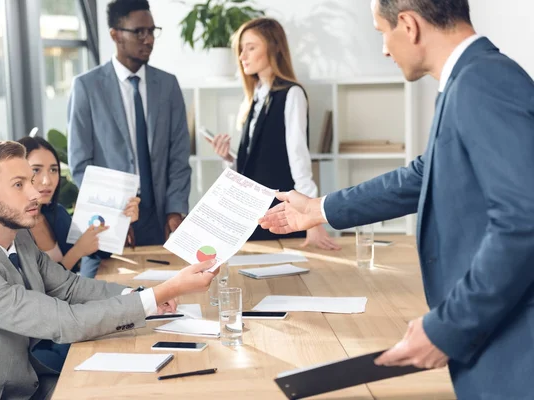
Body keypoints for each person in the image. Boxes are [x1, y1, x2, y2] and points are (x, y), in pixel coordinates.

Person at [259, 1, 534, 398]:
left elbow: (523, 221)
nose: (385, 49)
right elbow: (424, 175)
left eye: (381, 33)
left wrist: (448, 327)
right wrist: (319, 208)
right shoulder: (469, 79)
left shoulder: (483, 82)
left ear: (408, 25)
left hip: (513, 347)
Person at [0, 141, 218, 400]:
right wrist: (162, 292)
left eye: (30, 181)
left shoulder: (17, 233)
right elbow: (65, 321)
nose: (35, 192)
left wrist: (140, 294)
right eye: (19, 185)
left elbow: (69, 287)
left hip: (28, 382)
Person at [68, 0, 191, 252]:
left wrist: (175, 210)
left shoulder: (168, 86)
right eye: (139, 32)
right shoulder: (87, 88)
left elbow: (179, 157)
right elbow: (81, 165)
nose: (148, 39)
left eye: (152, 31)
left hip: (161, 219)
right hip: (111, 223)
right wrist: (113, 216)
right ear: (115, 35)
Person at [209, 17, 339, 250]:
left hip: (281, 217)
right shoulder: (254, 98)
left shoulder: (291, 94)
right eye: (241, 49)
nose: (242, 56)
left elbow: (299, 159)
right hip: (253, 217)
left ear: (273, 47)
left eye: (251, 48)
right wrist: (229, 159)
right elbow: (254, 165)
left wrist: (312, 217)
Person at [18, 136, 140, 278]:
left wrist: (122, 220)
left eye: (53, 170)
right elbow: (38, 285)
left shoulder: (56, 214)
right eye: (36, 170)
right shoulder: (11, 227)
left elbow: (100, 252)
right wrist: (77, 251)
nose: (47, 181)